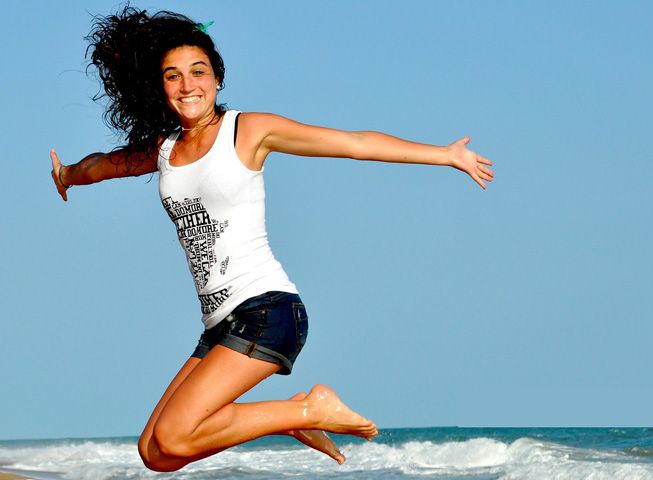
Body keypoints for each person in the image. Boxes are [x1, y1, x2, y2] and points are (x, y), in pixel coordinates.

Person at [48, 7, 495, 471]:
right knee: (155, 452)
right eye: (173, 76)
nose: (187, 85)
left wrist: (443, 155)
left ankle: (308, 409)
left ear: (217, 78)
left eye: (198, 72)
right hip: (220, 325)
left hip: (266, 311)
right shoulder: (165, 150)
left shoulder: (247, 131)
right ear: (160, 88)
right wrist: (67, 174)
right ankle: (292, 416)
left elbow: (352, 142)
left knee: (176, 435)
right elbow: (103, 165)